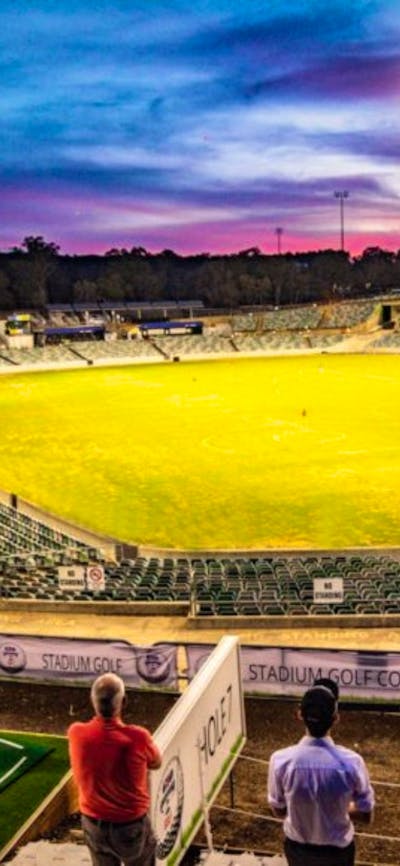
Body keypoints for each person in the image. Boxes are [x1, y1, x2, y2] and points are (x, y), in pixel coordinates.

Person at [267, 685, 374, 866]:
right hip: (337, 854)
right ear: (335, 718)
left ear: (300, 715)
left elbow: (278, 810)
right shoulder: (352, 763)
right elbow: (366, 815)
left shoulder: (281, 761)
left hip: (298, 851)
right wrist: (339, 806)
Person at [68, 673, 162, 866]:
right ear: (124, 702)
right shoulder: (137, 737)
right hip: (130, 826)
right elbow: (156, 762)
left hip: (93, 824)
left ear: (92, 701)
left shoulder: (76, 733)